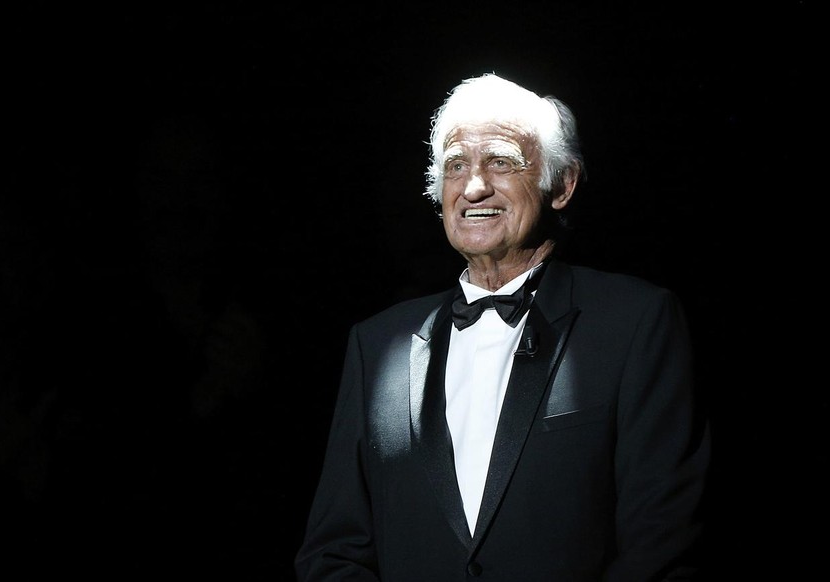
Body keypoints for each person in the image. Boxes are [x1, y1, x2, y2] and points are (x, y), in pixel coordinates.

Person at [294, 72, 710, 581]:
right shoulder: (376, 344)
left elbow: (662, 544)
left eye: (500, 160)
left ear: (562, 184)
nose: (473, 186)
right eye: (455, 166)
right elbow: (333, 551)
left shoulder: (635, 321)